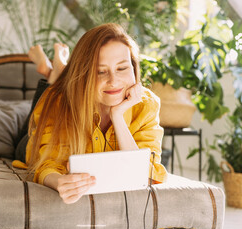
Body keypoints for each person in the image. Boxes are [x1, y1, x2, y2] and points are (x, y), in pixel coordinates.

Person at [14, 23, 167, 204]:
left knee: (58, 85)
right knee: (48, 99)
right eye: (100, 72)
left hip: (73, 87)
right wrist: (59, 182)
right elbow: (46, 164)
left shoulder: (146, 104)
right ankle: (55, 73)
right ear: (84, 75)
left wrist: (117, 116)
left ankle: (56, 71)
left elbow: (144, 173)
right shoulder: (58, 101)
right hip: (28, 143)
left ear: (134, 68)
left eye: (122, 68)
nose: (113, 81)